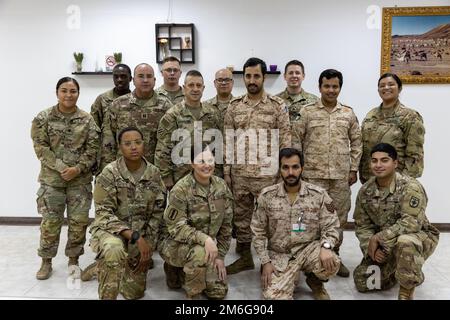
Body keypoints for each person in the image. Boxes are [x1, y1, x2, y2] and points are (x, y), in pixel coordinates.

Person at [224, 57, 291, 274]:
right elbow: (228, 140)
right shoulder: (234, 107)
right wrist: (227, 172)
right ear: (243, 77)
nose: (252, 80)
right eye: (248, 76)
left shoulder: (277, 106)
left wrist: (284, 171)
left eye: (256, 76)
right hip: (241, 174)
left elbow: (285, 141)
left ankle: (268, 261)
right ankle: (245, 257)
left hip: (267, 174)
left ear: (263, 77)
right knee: (241, 218)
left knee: (270, 218)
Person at [292, 69, 362, 277]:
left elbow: (357, 142)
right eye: (327, 86)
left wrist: (353, 168)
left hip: (340, 178)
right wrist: (298, 171)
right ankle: (310, 258)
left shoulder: (348, 113)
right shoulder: (307, 112)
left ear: (340, 88)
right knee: (309, 218)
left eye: (335, 86)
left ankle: (334, 256)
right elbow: (296, 141)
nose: (331, 90)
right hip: (312, 176)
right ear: (320, 87)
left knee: (338, 218)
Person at [31, 77, 100, 280]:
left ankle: (73, 260)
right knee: (50, 223)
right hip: (52, 181)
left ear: (78, 93)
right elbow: (41, 147)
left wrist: (78, 169)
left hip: (79, 182)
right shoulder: (43, 118)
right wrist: (63, 168)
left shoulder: (87, 120)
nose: (68, 95)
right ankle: (46, 261)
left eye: (73, 91)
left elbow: (93, 148)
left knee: (78, 223)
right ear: (57, 93)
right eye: (64, 91)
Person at [88, 127, 166, 300]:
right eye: (127, 143)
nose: (133, 147)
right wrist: (135, 236)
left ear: (144, 144)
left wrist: (148, 245)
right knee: (114, 250)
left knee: (134, 294)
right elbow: (103, 213)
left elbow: (157, 214)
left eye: (138, 142)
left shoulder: (154, 174)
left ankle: (105, 266)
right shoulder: (109, 173)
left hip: (139, 237)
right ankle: (109, 263)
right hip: (111, 232)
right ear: (120, 147)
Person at [353, 143, 439, 300]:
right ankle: (405, 269)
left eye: (384, 160)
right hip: (385, 245)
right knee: (363, 281)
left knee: (405, 242)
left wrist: (379, 237)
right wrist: (371, 248)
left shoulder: (410, 186)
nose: (378, 165)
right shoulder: (366, 191)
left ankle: (407, 289)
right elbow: (362, 225)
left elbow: (412, 222)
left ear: (395, 163)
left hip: (418, 237)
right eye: (374, 161)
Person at [251, 148, 340, 300]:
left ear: (302, 168)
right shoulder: (267, 196)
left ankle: (315, 279)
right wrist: (265, 261)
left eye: (295, 167)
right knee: (273, 297)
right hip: (280, 254)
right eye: (285, 167)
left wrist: (326, 247)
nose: (290, 172)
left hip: (308, 249)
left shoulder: (318, 194)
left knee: (332, 262)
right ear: (280, 169)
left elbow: (331, 226)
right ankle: (290, 276)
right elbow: (257, 231)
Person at [159, 146, 233, 299]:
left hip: (207, 246)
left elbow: (226, 225)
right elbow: (176, 227)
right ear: (192, 163)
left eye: (210, 160)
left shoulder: (221, 187)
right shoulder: (181, 190)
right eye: (201, 161)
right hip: (176, 244)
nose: (207, 165)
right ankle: (192, 293)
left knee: (218, 293)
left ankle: (187, 271)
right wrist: (204, 239)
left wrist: (220, 257)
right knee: (199, 254)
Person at [155, 70, 221, 190]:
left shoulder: (212, 113)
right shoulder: (173, 115)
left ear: (203, 88)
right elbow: (163, 149)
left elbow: (218, 146)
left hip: (208, 174)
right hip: (181, 177)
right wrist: (165, 176)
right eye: (191, 85)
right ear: (184, 88)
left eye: (198, 85)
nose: (195, 89)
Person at [100, 63, 172, 171]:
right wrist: (108, 170)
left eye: (149, 76)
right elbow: (108, 141)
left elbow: (171, 141)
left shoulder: (166, 106)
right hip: (123, 170)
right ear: (133, 80)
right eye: (141, 76)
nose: (145, 80)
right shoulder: (118, 105)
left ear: (154, 80)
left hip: (155, 170)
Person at [359, 73, 425, 184]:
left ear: (399, 88)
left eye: (391, 84)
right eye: (382, 85)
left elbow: (415, 155)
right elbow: (364, 147)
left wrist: (405, 183)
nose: (386, 88)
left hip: (396, 181)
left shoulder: (410, 117)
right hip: (370, 180)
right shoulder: (371, 115)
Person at [276, 60, 319, 126]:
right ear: (285, 76)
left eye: (297, 73)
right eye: (290, 73)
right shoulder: (276, 101)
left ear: (303, 76)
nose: (294, 75)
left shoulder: (315, 101)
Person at [90, 64, 132, 130]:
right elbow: (94, 126)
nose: (119, 80)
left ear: (130, 78)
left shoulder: (135, 100)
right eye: (116, 77)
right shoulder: (102, 99)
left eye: (123, 76)